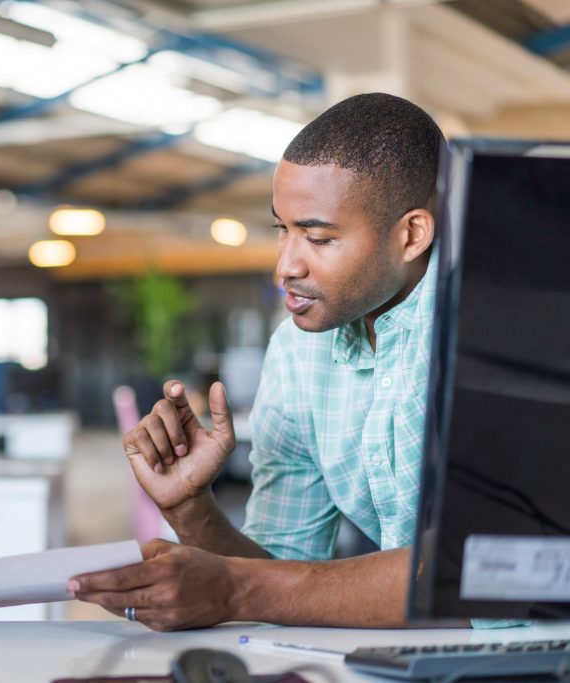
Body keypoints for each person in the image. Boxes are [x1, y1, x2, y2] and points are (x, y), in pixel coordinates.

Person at [68, 93, 445, 631]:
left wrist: (237, 591)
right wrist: (191, 507)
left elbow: (489, 577)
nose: (285, 266)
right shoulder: (298, 351)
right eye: (282, 230)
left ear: (411, 235)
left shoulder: (502, 330)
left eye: (318, 237)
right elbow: (285, 571)